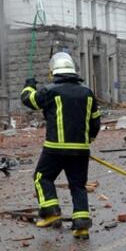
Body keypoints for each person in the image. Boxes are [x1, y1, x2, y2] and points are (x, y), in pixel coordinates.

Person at [21, 53, 101, 239]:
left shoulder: (50, 91)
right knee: (78, 185)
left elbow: (28, 100)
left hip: (55, 148)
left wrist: (29, 85)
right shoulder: (87, 93)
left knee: (42, 177)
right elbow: (95, 122)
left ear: (53, 72)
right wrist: (88, 140)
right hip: (80, 150)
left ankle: (50, 212)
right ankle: (82, 226)